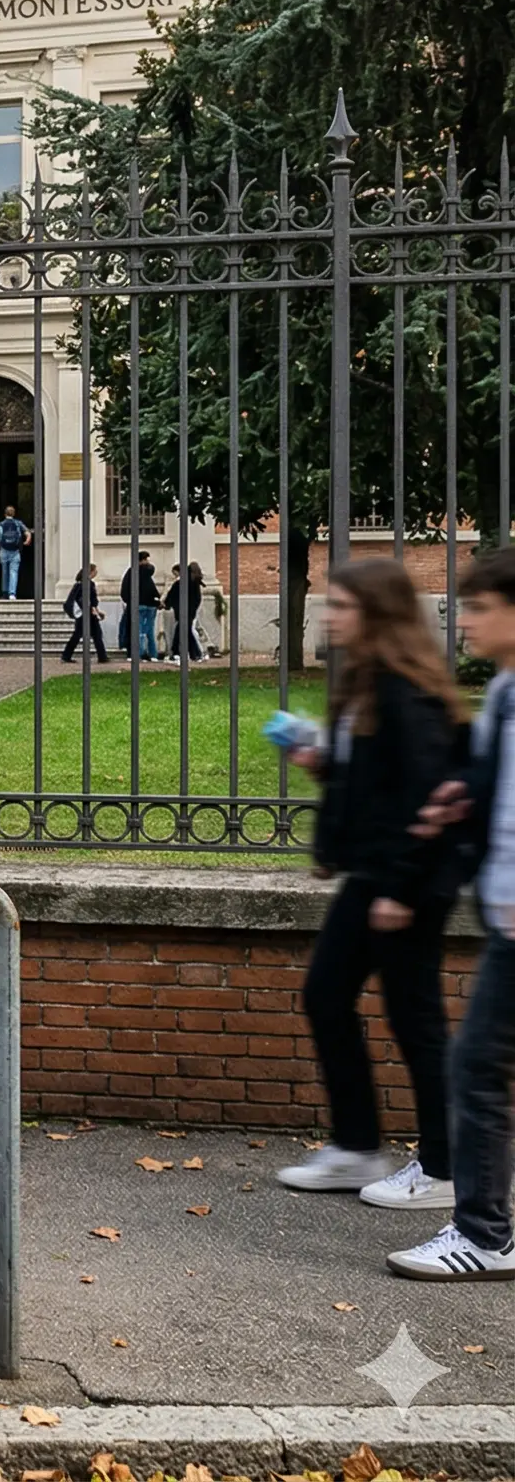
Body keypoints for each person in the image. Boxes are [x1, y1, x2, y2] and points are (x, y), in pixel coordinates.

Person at [274, 559, 464, 1211]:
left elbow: (425, 799)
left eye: (342, 606)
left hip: (403, 884)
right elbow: (375, 786)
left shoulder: (404, 690)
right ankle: (358, 1148)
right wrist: (324, 767)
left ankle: (442, 1168)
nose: (330, 616)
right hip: (378, 875)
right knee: (328, 996)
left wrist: (399, 890)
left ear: (376, 614)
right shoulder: (365, 681)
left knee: (415, 1023)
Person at [390, 546, 515, 1279]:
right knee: (478, 1066)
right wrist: (461, 796)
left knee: (473, 1066)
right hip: (504, 917)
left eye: (478, 608)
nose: (461, 619)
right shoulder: (502, 692)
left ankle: (485, 1235)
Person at [61, 563, 107, 663]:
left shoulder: (79, 584)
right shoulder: (89, 584)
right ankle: (102, 656)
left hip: (82, 613)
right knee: (93, 634)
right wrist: (96, 611)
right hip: (87, 613)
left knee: (87, 634)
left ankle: (66, 655)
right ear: (91, 572)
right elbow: (91, 600)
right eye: (95, 570)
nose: (96, 572)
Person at [119, 551, 159, 659]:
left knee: (138, 630)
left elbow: (125, 590)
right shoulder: (148, 574)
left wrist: (129, 601)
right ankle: (153, 653)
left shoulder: (131, 572)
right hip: (150, 604)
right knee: (150, 630)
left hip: (137, 604)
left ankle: (139, 653)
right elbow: (152, 589)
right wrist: (157, 601)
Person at [165, 562, 208, 662]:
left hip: (181, 610)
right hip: (190, 611)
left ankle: (181, 652)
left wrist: (167, 604)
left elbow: (172, 595)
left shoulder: (181, 583)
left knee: (182, 631)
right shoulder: (196, 583)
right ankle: (193, 653)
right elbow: (197, 599)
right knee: (185, 631)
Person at [0, 505, 31, 600]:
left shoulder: (0, 524)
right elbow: (27, 532)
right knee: (13, 572)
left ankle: (5, 592)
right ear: (14, 514)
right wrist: (27, 540)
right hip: (15, 551)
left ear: (5, 514)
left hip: (3, 550)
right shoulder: (18, 523)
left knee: (4, 572)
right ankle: (12, 593)